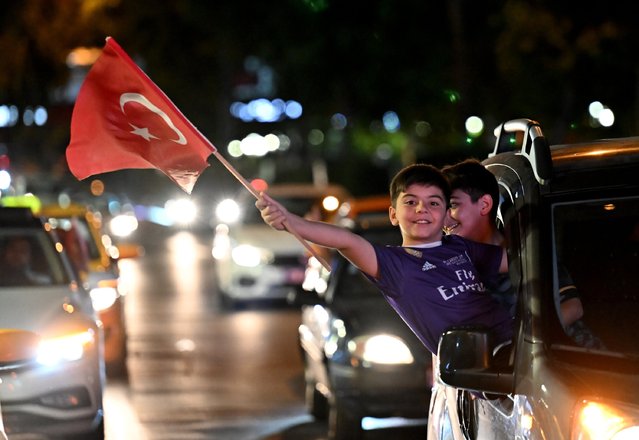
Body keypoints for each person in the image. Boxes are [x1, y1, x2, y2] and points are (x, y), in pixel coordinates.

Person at [256, 163, 513, 356]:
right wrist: (291, 222)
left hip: (522, 346)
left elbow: (520, 261)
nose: (421, 209)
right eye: (410, 202)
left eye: (433, 203)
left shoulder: (462, 248)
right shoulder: (394, 264)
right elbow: (346, 240)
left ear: (447, 214)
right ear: (393, 214)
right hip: (490, 369)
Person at [442, 158, 603, 348]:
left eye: (451, 205)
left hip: (578, 361)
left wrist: (515, 343)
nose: (443, 219)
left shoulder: (526, 249)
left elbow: (572, 308)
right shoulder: (455, 268)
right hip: (508, 372)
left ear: (484, 204)